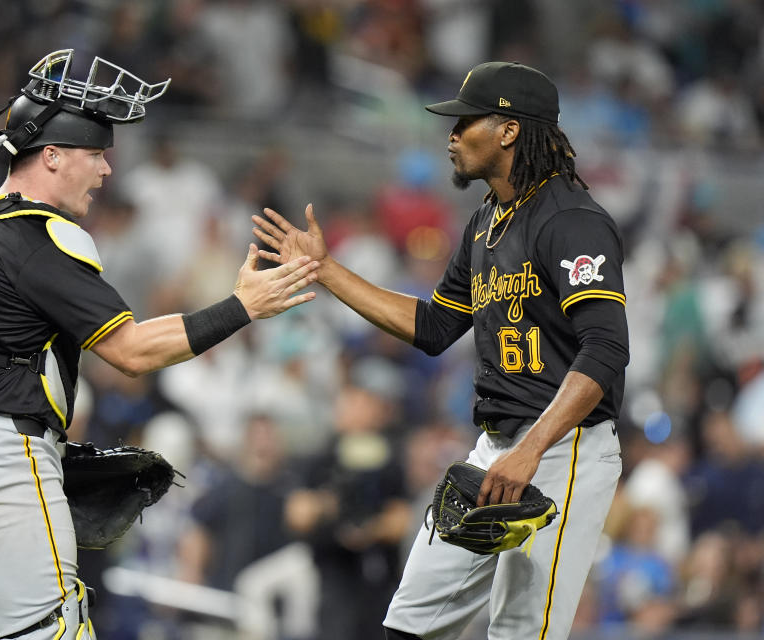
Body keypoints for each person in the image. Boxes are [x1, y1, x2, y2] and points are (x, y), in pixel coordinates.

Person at [0, 49, 319, 640]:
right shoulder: (40, 236)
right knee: (60, 633)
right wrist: (242, 307)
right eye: (95, 155)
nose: (105, 171)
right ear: (51, 156)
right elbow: (131, 353)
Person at [254, 61, 629, 640]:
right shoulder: (485, 222)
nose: (450, 136)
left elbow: (605, 352)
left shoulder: (573, 220)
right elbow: (432, 326)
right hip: (498, 448)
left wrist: (530, 450)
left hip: (564, 450)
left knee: (519, 633)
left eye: (465, 122)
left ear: (508, 129)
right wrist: (326, 271)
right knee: (410, 625)